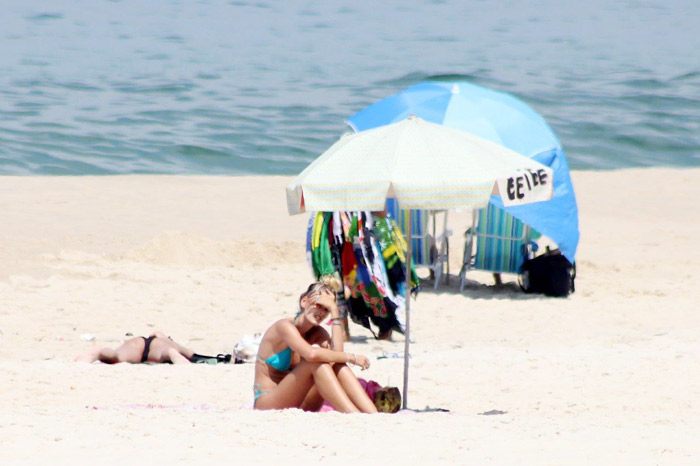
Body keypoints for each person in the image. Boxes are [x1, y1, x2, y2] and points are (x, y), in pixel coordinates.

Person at [253, 282, 378, 413]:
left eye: (326, 309)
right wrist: (352, 358)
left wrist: (335, 313)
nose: (321, 312)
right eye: (319, 305)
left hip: (300, 401)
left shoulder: (317, 332)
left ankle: (373, 414)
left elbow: (338, 356)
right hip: (267, 402)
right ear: (304, 301)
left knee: (338, 365)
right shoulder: (283, 327)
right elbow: (311, 354)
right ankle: (353, 414)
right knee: (315, 363)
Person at [75, 331, 196, 364]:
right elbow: (192, 354)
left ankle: (99, 352)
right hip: (161, 348)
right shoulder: (169, 342)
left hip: (136, 342)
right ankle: (171, 354)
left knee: (116, 356)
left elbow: (156, 332)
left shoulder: (161, 338)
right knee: (167, 352)